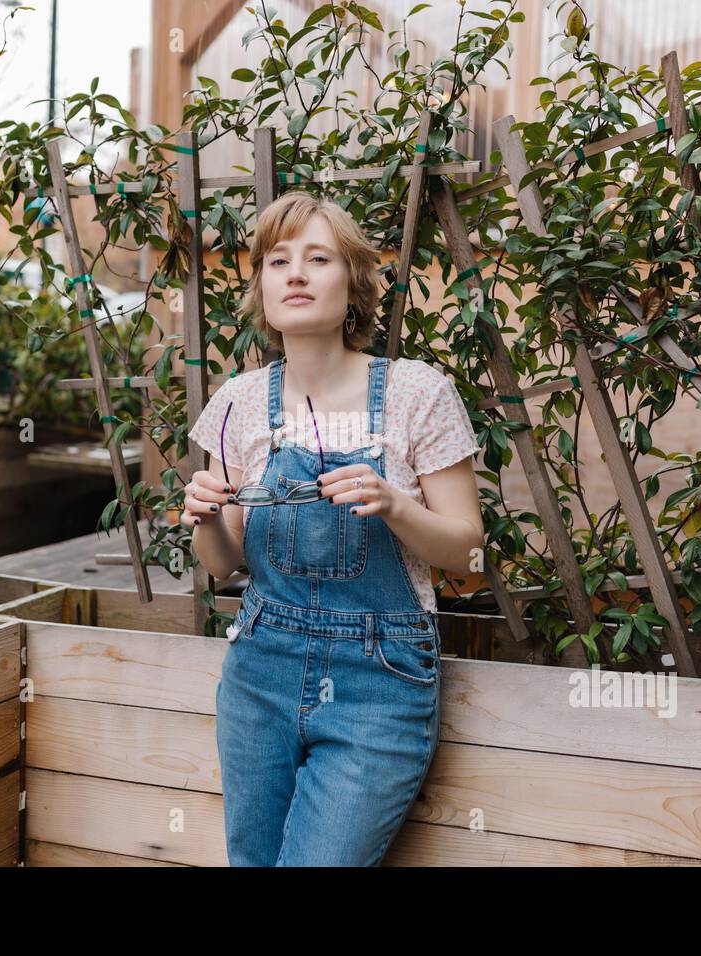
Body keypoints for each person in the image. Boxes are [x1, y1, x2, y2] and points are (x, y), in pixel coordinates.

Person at [184, 190, 482, 866]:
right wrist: (201, 518)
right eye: (278, 260)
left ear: (352, 285)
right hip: (260, 669)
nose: (295, 273)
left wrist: (397, 505)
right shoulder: (236, 403)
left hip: (377, 681)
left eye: (317, 258)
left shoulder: (415, 392)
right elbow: (222, 565)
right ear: (260, 287)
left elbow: (469, 550)